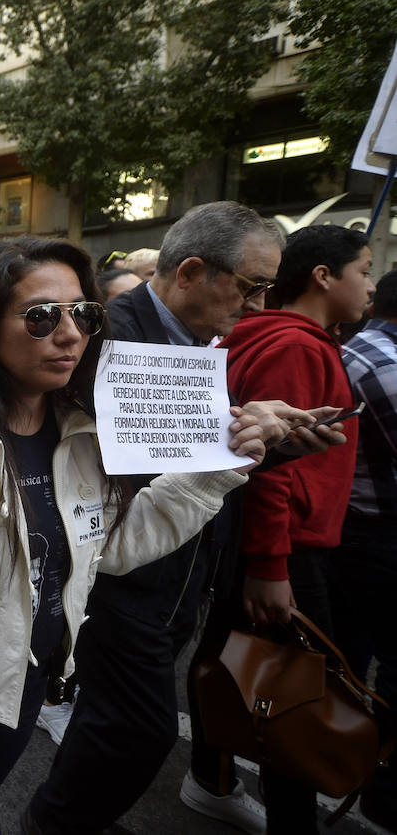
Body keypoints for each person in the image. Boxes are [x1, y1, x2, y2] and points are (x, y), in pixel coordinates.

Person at [0, 236, 270, 834]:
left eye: (83, 315)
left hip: (23, 681)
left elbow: (109, 550)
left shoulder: (83, 434)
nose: (69, 334)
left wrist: (217, 471)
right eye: (40, 316)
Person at [27, 202, 333, 835]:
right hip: (121, 573)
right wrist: (234, 437)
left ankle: (66, 814)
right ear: (191, 270)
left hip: (183, 573)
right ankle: (56, 820)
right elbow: (114, 463)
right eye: (252, 287)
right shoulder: (103, 336)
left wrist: (260, 439)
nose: (260, 305)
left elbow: (193, 461)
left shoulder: (199, 342)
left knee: (109, 721)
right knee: (141, 729)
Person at [215, 224, 372, 834]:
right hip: (288, 550)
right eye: (362, 269)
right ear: (323, 277)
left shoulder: (281, 337)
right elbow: (270, 466)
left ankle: (213, 780)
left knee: (244, 675)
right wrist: (270, 564)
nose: (371, 283)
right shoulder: (297, 347)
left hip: (277, 545)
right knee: (293, 700)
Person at [334, 268, 397, 828]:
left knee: (347, 657)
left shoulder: (351, 348)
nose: (367, 283)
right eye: (361, 271)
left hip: (349, 530)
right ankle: (386, 794)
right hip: (375, 535)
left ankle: (337, 761)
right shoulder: (382, 364)